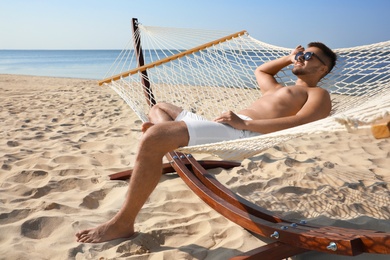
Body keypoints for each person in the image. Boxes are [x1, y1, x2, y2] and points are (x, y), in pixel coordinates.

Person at [76, 42, 337, 243]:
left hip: (244, 134)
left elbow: (301, 121)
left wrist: (246, 124)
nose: (302, 58)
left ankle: (123, 222)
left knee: (154, 137)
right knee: (161, 107)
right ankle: (164, 132)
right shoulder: (278, 88)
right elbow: (261, 70)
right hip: (229, 125)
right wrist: (289, 58)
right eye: (301, 55)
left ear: (323, 68)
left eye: (308, 56)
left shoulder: (318, 93)